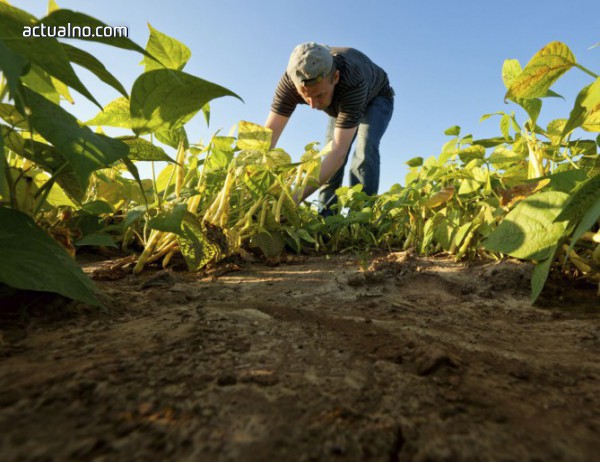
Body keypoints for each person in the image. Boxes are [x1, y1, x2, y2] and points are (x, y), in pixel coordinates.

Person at [265, 42, 394, 215]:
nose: (313, 105)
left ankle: (361, 217)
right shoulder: (290, 82)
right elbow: (267, 138)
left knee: (365, 147)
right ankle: (326, 218)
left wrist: (292, 199)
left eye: (319, 95)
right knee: (327, 157)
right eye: (305, 96)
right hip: (339, 103)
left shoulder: (352, 80)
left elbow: (339, 153)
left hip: (376, 97)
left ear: (335, 77)